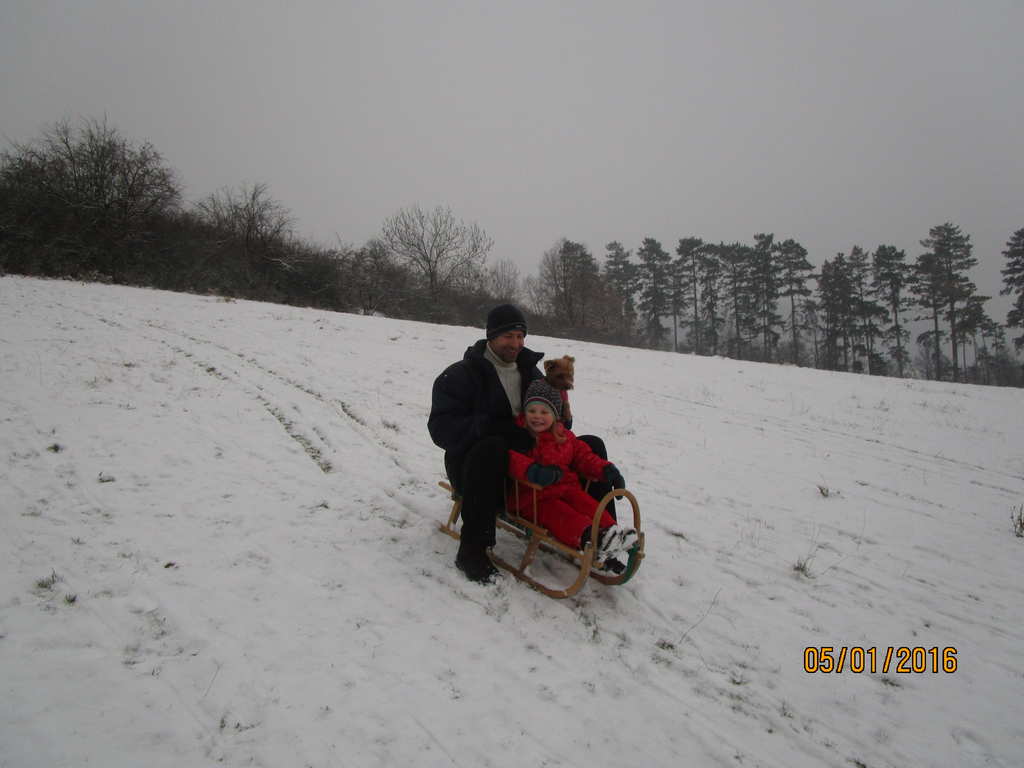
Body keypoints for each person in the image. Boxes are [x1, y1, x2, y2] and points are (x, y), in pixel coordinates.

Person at [428, 304, 618, 582]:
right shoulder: (460, 375)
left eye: (520, 336)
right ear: (491, 336)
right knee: (492, 447)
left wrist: (560, 421)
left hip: (532, 461)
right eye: (508, 336)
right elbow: (441, 429)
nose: (515, 343)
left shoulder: (531, 372)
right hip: (480, 469)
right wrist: (494, 428)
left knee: (592, 445)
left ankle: (607, 537)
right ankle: (472, 550)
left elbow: (555, 419)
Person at [507, 379, 636, 569]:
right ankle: (591, 538)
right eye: (532, 410)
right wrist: (534, 471)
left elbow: (584, 457)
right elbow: (511, 459)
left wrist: (606, 470)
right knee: (563, 515)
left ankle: (613, 535)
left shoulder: (565, 437)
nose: (537, 417)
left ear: (556, 414)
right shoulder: (521, 435)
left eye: (544, 412)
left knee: (589, 505)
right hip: (533, 497)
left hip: (566, 489)